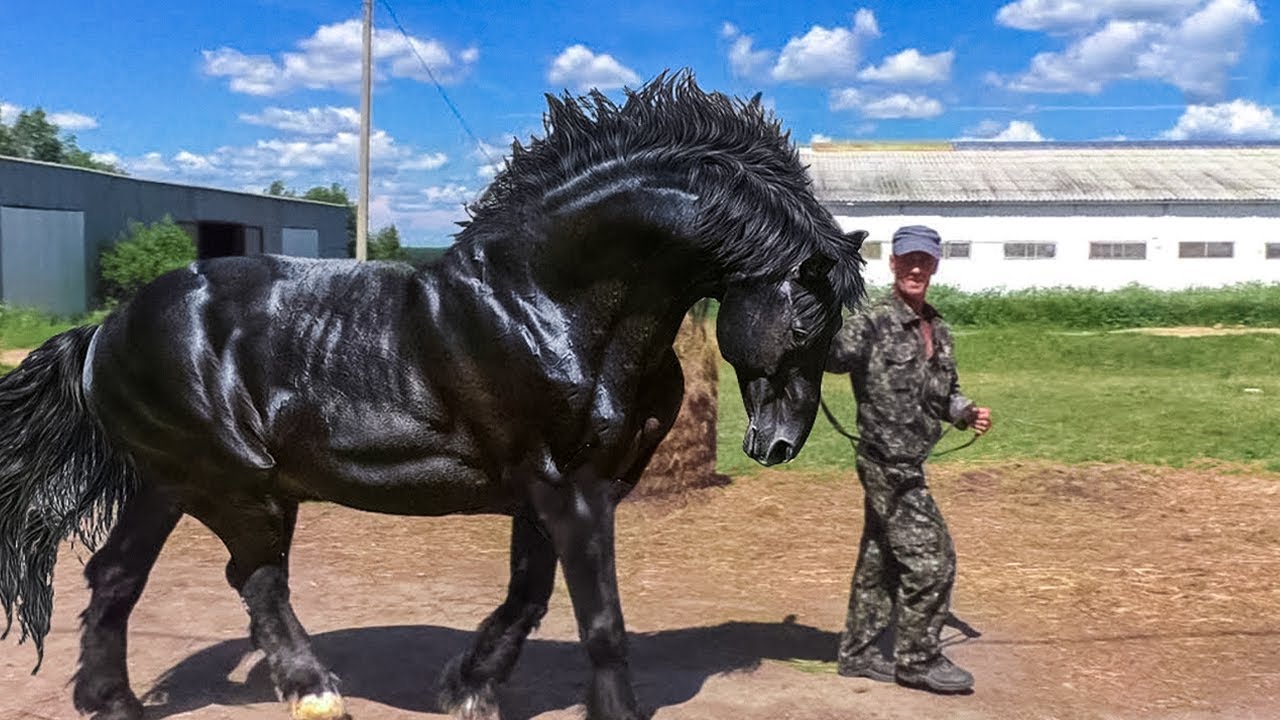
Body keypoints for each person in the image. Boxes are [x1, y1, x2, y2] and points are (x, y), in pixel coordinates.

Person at [826, 224, 992, 694]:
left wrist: (965, 413)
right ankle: (918, 658)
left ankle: (857, 653)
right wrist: (811, 308)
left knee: (880, 558)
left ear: (935, 265)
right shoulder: (872, 322)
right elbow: (829, 356)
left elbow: (945, 392)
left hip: (911, 461)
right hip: (885, 464)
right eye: (908, 259)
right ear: (893, 264)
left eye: (925, 260)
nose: (916, 268)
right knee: (932, 560)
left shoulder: (938, 329)